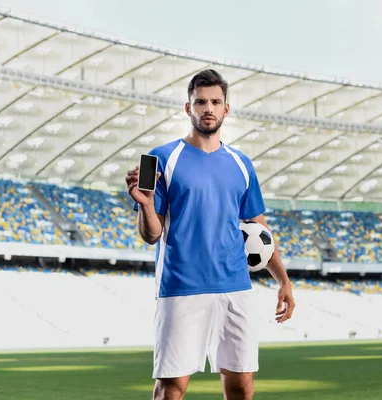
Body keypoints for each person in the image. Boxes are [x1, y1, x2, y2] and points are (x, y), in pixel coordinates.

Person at [125, 69, 295, 400]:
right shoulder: (163, 158)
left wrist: (283, 280)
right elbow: (151, 235)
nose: (208, 108)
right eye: (200, 101)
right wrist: (145, 205)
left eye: (215, 102)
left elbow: (260, 232)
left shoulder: (241, 163)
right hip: (181, 288)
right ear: (188, 108)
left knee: (241, 385)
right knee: (171, 388)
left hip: (236, 287)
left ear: (226, 109)